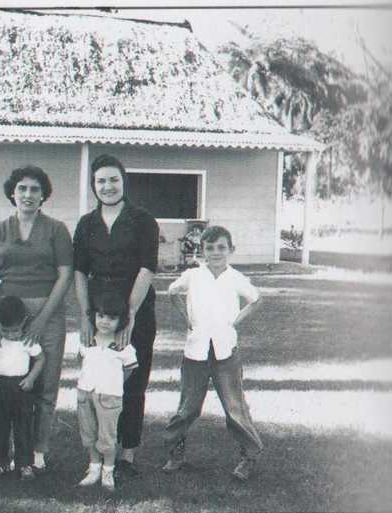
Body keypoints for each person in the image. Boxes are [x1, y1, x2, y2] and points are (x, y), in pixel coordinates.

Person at [0, 165, 73, 472]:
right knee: (7, 380)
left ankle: (37, 449)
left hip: (48, 311)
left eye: (34, 189)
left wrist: (43, 318)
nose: (28, 194)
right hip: (9, 313)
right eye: (22, 188)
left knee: (45, 382)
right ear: (12, 193)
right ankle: (2, 451)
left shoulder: (56, 229)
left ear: (43, 194)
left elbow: (65, 276)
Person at [73, 154, 159, 478]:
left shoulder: (142, 220)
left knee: (133, 381)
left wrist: (132, 315)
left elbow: (147, 267)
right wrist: (84, 316)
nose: (107, 186)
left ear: (124, 181)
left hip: (136, 307)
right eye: (100, 181)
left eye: (113, 179)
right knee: (98, 383)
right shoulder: (86, 224)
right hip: (99, 314)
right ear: (93, 186)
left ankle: (127, 454)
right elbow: (80, 272)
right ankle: (98, 454)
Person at [161, 225, 263, 481]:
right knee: (188, 408)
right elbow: (172, 292)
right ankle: (175, 451)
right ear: (202, 250)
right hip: (195, 351)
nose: (215, 253)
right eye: (209, 248)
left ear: (230, 250)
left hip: (225, 352)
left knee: (234, 406)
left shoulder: (236, 277)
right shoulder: (193, 275)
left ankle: (248, 456)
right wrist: (187, 319)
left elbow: (257, 299)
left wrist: (235, 321)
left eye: (221, 248)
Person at [76, 292, 138, 493]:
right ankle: (94, 467)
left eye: (111, 318)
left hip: (110, 396)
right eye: (101, 316)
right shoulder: (87, 340)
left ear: (121, 321)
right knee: (89, 433)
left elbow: (129, 369)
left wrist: (115, 383)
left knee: (107, 436)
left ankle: (107, 471)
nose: (104, 322)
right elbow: (81, 361)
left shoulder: (122, 346)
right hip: (85, 393)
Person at [0, 295, 46, 482]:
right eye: (5, 330)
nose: (11, 334)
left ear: (24, 322)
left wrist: (31, 378)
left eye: (15, 330)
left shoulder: (28, 341)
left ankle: (24, 464)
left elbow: (40, 359)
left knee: (23, 427)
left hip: (21, 388)